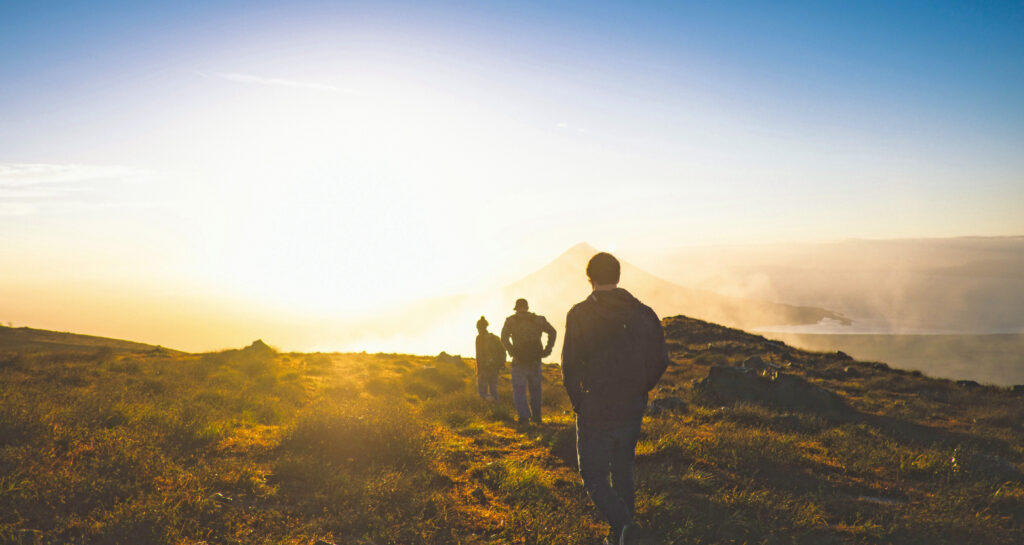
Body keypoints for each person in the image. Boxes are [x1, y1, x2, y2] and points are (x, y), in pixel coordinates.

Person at [561, 252, 669, 545]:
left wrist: (579, 402)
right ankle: (623, 533)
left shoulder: (580, 314)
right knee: (623, 470)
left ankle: (624, 526)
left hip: (595, 406)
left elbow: (569, 365)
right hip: (631, 405)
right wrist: (641, 388)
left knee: (593, 475)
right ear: (618, 276)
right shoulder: (643, 313)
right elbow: (661, 359)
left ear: (590, 278)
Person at [501, 298, 556, 425]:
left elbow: (504, 338)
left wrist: (512, 351)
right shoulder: (538, 319)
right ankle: (537, 418)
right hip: (535, 360)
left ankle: (524, 418)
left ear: (516, 308)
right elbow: (553, 332)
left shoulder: (511, 321)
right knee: (535, 391)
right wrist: (547, 349)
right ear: (527, 307)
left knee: (519, 391)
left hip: (519, 361)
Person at [474, 316, 505, 401]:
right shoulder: (494, 337)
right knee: (493, 390)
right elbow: (502, 351)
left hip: (484, 368)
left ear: (478, 327)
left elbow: (479, 355)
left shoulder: (479, 338)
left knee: (482, 393)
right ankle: (497, 406)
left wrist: (479, 371)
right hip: (494, 368)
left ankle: (490, 401)